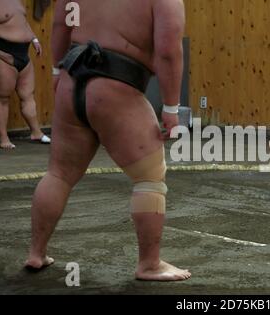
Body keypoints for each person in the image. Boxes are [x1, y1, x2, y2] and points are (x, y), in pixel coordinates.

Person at [25, 0, 191, 281]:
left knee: (59, 174)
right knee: (149, 176)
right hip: (116, 85)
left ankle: (36, 252)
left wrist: (56, 71)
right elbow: (167, 51)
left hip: (72, 78)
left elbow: (60, 23)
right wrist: (171, 109)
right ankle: (149, 264)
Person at [0, 0, 51, 150]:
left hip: (24, 53)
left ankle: (36, 132)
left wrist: (34, 38)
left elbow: (22, 21)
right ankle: (3, 138)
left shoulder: (15, 1)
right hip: (4, 54)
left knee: (28, 95)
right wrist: (3, 55)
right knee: (2, 99)